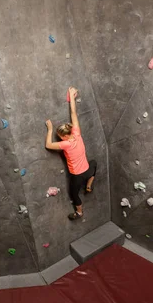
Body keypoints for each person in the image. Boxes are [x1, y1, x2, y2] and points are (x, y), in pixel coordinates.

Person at [45, 87, 97, 220]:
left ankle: (79, 213)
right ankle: (89, 184)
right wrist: (72, 97)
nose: (60, 138)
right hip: (88, 170)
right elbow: (74, 113)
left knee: (74, 194)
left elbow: (48, 145)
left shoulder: (66, 144)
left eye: (60, 136)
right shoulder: (76, 133)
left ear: (65, 137)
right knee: (94, 164)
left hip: (77, 176)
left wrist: (50, 129)